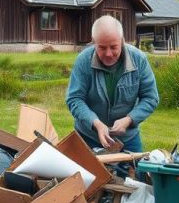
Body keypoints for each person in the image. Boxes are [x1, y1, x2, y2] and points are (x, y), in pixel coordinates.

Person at [66, 15, 159, 153]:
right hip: (88, 137)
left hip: (127, 139)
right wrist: (96, 123)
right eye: (102, 48)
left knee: (135, 174)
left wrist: (129, 120)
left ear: (122, 41)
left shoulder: (139, 60)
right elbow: (74, 99)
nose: (108, 53)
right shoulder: (83, 61)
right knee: (84, 175)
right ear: (93, 42)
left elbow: (151, 98)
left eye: (114, 47)